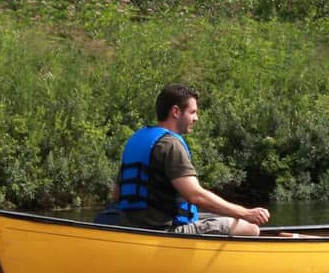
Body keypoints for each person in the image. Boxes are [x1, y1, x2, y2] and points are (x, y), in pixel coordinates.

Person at [116, 83, 272, 235]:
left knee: (221, 216)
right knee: (250, 228)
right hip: (166, 231)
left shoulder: (136, 140)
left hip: (131, 227)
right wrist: (245, 213)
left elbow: (116, 194)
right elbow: (195, 195)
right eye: (192, 112)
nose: (196, 118)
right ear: (176, 111)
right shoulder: (170, 144)